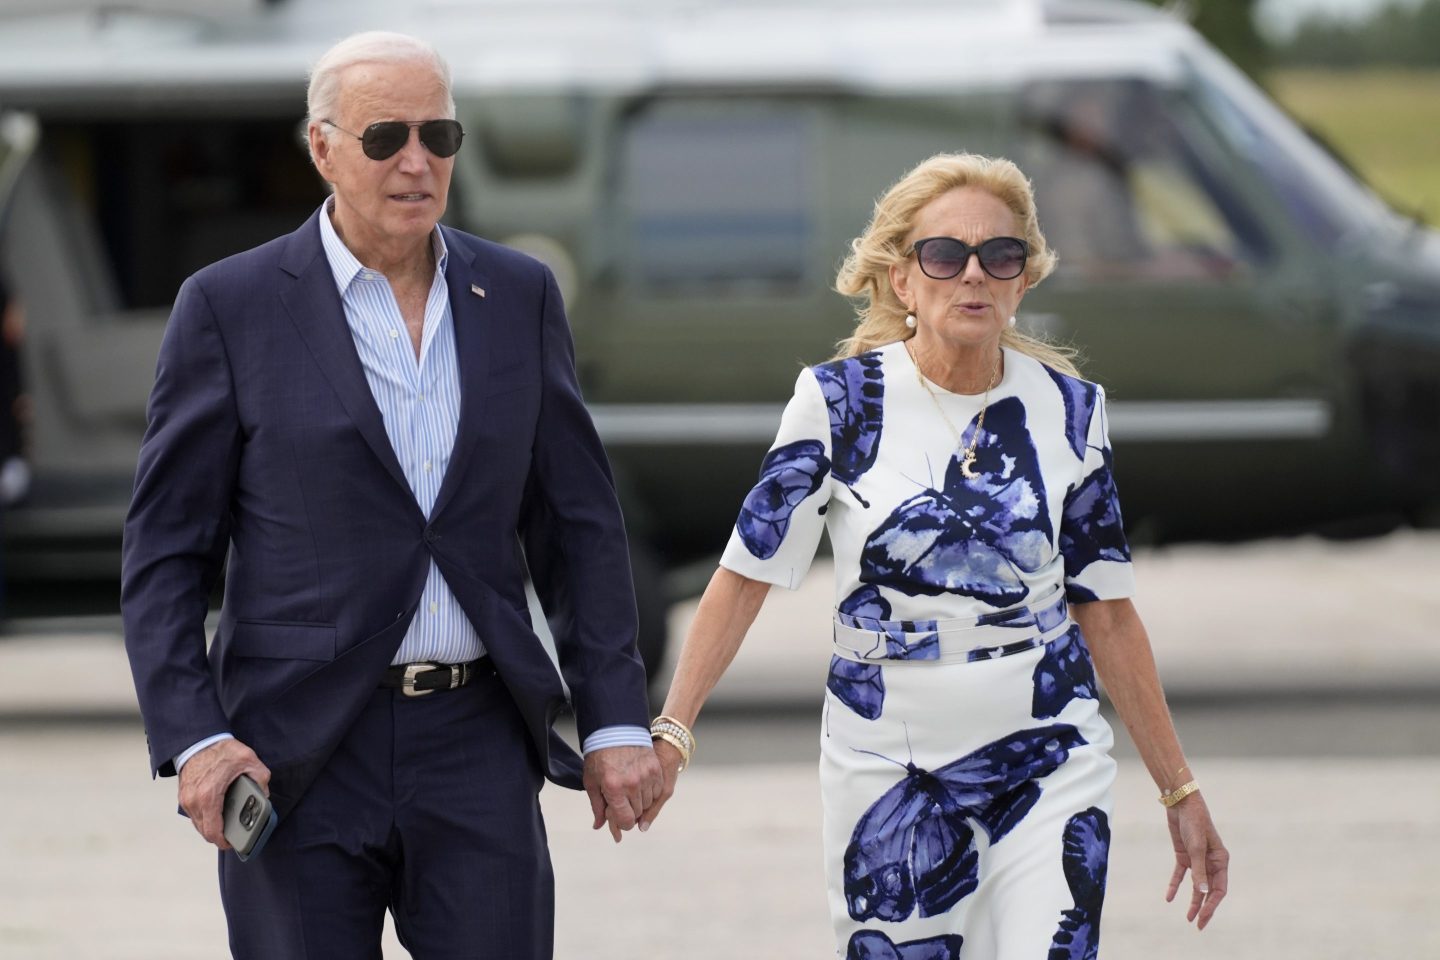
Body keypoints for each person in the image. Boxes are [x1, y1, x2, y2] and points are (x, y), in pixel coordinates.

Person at [120, 31, 661, 959]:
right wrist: (194, 737)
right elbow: (167, 555)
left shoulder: (521, 294)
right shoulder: (229, 305)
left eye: (437, 136)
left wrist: (614, 715)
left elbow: (578, 527)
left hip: (477, 744)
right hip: (295, 753)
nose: (417, 162)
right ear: (323, 148)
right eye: (386, 139)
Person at [640, 153, 1228, 957]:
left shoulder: (1070, 411)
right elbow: (744, 578)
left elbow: (1107, 609)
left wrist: (1179, 788)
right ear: (901, 280)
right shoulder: (840, 403)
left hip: (1048, 749)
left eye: (1001, 255)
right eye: (945, 255)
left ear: (1024, 279)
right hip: (888, 763)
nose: (974, 274)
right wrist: (673, 732)